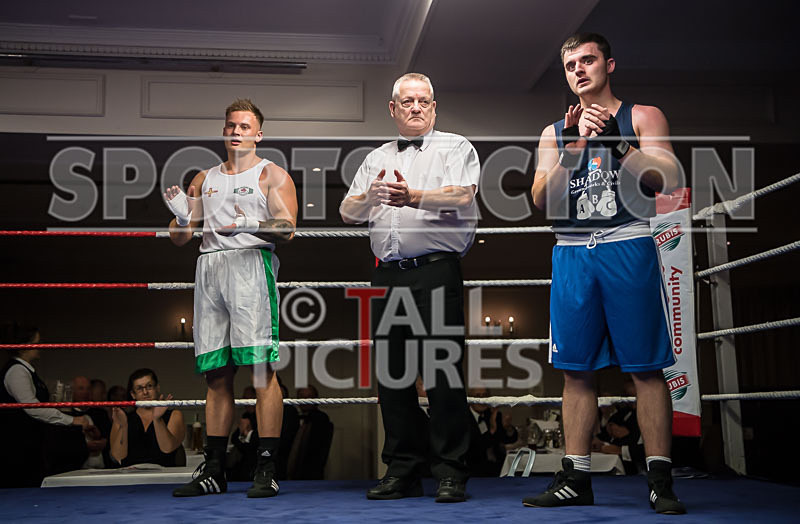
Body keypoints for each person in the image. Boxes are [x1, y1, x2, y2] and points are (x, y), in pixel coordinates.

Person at [522, 33, 685, 514]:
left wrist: (618, 144)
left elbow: (669, 181)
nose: (579, 69)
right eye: (570, 64)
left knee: (645, 368)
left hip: (627, 243)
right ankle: (575, 476)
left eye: (587, 59)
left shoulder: (642, 116)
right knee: (575, 370)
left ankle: (660, 478)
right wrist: (577, 148)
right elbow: (541, 201)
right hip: (572, 251)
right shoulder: (553, 132)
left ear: (608, 64)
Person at [340, 73, 480, 503]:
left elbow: (462, 196)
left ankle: (451, 472)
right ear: (393, 109)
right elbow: (348, 210)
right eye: (407, 101)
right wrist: (372, 196)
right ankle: (403, 469)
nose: (416, 107)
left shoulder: (456, 146)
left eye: (423, 101)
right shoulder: (375, 156)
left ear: (433, 107)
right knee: (392, 376)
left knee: (442, 374)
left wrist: (413, 196)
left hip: (435, 270)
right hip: (386, 274)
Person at [165, 98, 298, 498]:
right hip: (209, 269)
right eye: (230, 125)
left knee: (259, 369)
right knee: (216, 372)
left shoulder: (271, 175)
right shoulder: (203, 178)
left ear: (258, 134)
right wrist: (182, 217)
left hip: (250, 265)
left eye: (244, 126)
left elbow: (289, 228)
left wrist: (251, 224)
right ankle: (215, 468)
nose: (236, 131)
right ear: (223, 131)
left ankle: (266, 465)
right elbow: (181, 238)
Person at [0, 324, 92, 486]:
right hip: (18, 446)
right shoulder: (17, 371)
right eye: (36, 343)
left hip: (30, 444)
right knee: (21, 488)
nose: (40, 346)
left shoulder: (25, 370)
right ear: (24, 346)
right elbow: (33, 408)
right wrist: (71, 420)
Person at [109, 368, 185, 467]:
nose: (145, 392)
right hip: (130, 477)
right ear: (133, 394)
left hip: (166, 476)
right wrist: (124, 426)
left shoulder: (174, 415)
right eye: (139, 388)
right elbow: (118, 456)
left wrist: (157, 419)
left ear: (157, 388)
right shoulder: (123, 418)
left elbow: (168, 448)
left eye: (149, 386)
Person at [466, 386, 518, 477]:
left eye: (484, 396)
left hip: (497, 468)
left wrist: (508, 428)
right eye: (477, 396)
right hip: (473, 470)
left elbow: (509, 439)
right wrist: (492, 430)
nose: (481, 400)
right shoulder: (463, 418)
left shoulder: (493, 414)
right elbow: (474, 447)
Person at [286, 385, 333, 480]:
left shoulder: (321, 419)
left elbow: (319, 452)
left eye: (309, 397)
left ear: (316, 399)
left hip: (311, 473)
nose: (305, 400)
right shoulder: (291, 418)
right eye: (302, 397)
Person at [70, 375, 109, 468]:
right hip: (75, 468)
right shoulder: (65, 415)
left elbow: (111, 437)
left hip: (103, 469)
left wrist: (104, 442)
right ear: (72, 392)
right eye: (81, 388)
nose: (85, 392)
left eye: (88, 388)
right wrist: (84, 447)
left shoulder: (101, 414)